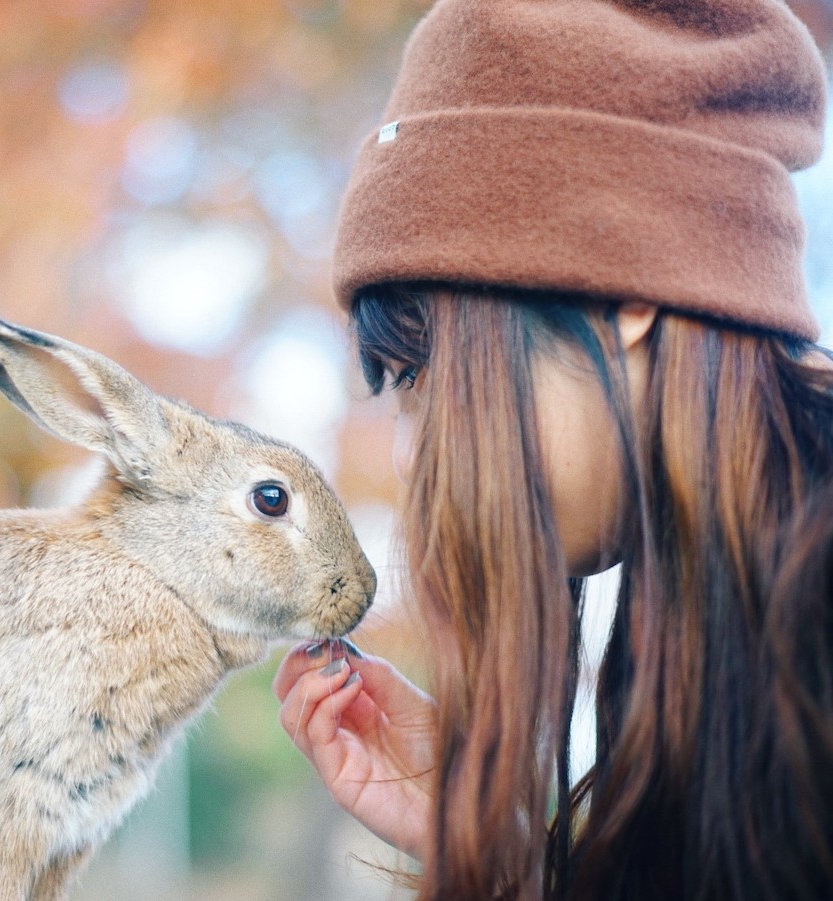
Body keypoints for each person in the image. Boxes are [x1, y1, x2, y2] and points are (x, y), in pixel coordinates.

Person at [272, 1, 833, 899]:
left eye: (424, 377)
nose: (409, 459)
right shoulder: (698, 634)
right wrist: (509, 863)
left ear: (627, 290)